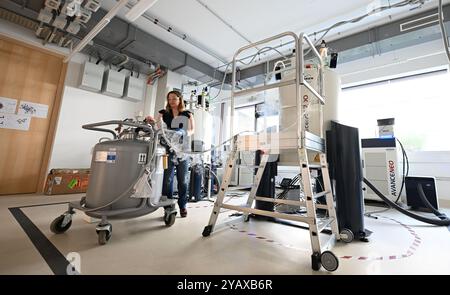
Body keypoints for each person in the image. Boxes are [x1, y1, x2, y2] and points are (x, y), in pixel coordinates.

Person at [146, 91, 195, 217]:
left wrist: (183, 133)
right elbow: (156, 127)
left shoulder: (187, 114)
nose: (171, 101)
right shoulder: (163, 113)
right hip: (167, 150)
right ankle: (168, 206)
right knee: (167, 180)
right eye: (169, 99)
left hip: (182, 150)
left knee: (183, 180)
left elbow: (192, 130)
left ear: (180, 99)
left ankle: (183, 205)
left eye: (174, 98)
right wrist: (151, 121)